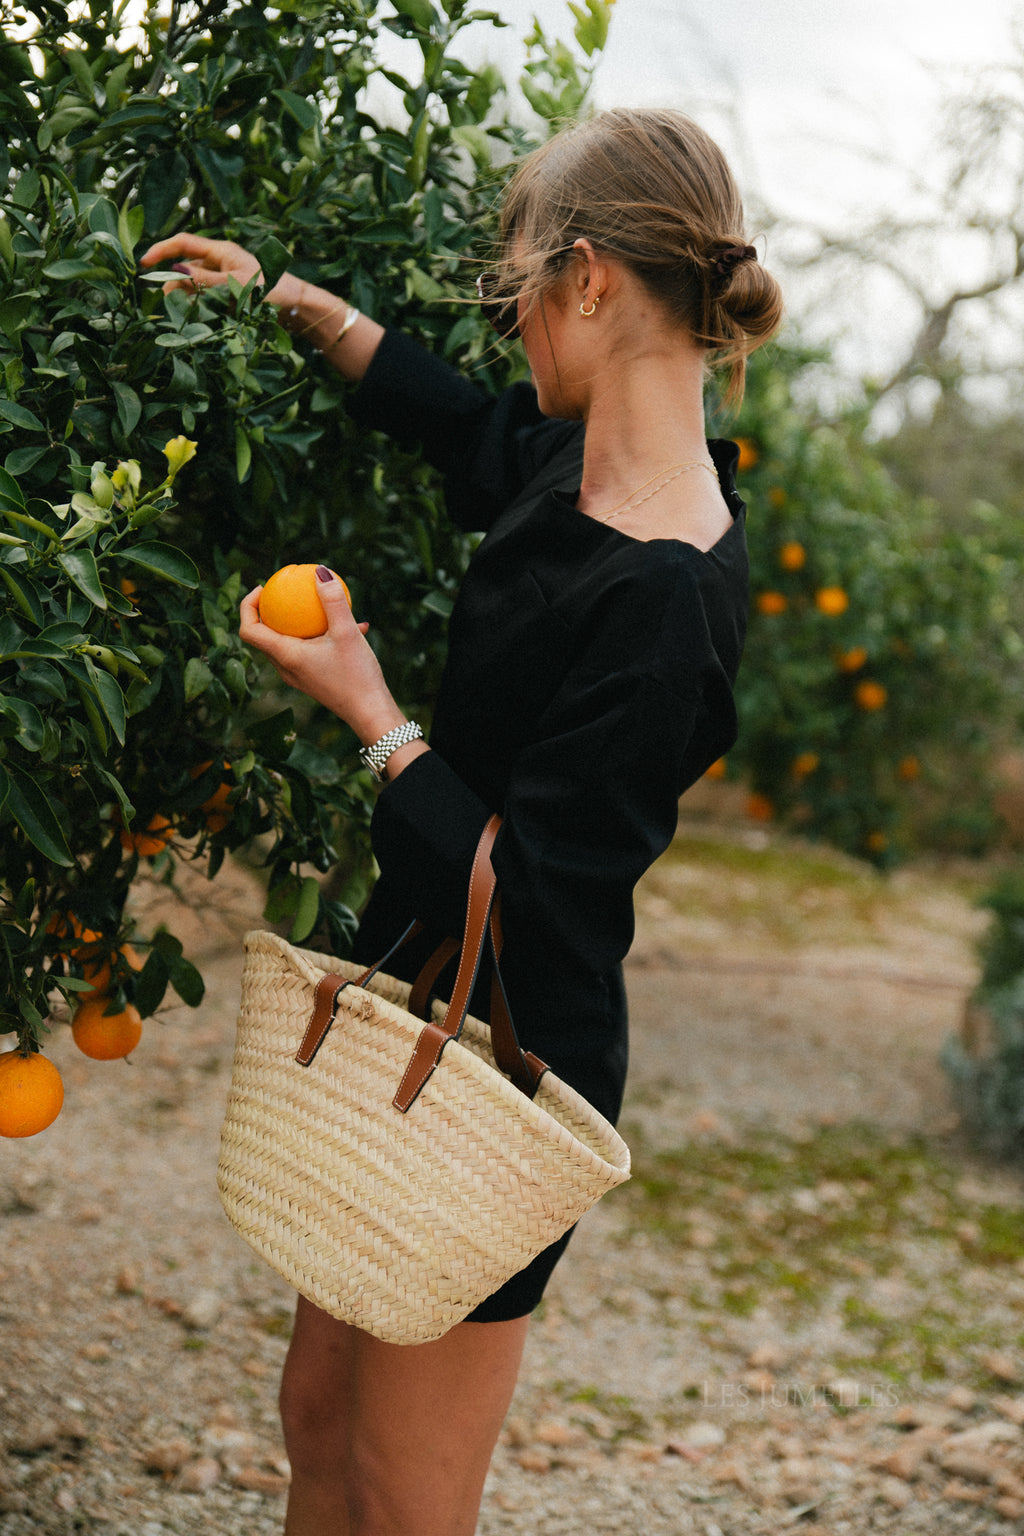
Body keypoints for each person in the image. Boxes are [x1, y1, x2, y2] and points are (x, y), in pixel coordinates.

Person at [143, 106, 783, 1536]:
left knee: (407, 1493)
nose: (509, 330)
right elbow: (456, 419)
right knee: (316, 1417)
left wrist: (371, 713)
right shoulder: (573, 467)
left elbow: (548, 894)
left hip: (507, 1053)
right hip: (405, 983)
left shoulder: (669, 593)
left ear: (594, 281)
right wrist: (296, 302)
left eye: (514, 295)